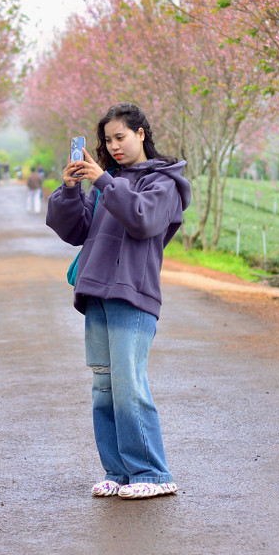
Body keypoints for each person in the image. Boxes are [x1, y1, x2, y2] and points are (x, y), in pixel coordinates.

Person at [46, 103, 191, 500]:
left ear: (141, 134)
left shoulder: (164, 183)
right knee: (104, 388)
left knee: (129, 385)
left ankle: (153, 473)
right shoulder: (108, 181)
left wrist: (105, 182)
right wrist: (72, 189)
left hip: (133, 294)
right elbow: (74, 231)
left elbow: (143, 218)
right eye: (107, 141)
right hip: (97, 295)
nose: (113, 147)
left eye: (120, 138)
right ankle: (118, 472)